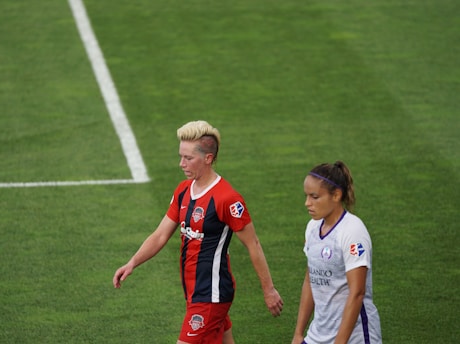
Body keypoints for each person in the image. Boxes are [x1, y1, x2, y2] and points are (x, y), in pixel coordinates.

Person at [113, 120, 284, 344]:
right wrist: (132, 262)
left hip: (211, 294)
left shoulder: (228, 199)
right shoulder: (183, 191)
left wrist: (269, 290)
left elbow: (254, 245)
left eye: (188, 158)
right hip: (194, 292)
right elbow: (160, 235)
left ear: (208, 158)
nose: (181, 163)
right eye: (181, 156)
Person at [291, 161, 382, 344]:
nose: (307, 203)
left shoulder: (352, 231)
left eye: (314, 197)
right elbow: (310, 280)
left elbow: (357, 293)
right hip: (318, 335)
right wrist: (298, 334)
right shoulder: (312, 228)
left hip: (354, 338)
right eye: (307, 196)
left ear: (336, 195)